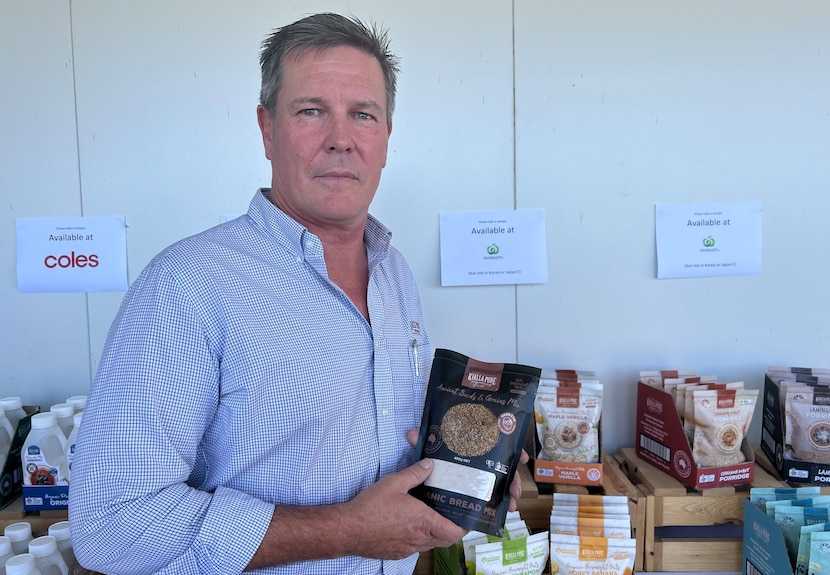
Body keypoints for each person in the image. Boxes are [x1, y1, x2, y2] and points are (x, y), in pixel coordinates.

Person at [68, 12, 528, 575]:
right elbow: (112, 526)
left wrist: (472, 465)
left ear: (386, 137)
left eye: (363, 114)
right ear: (267, 129)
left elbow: (379, 452)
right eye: (311, 112)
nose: (341, 139)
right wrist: (346, 531)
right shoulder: (188, 284)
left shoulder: (395, 274)